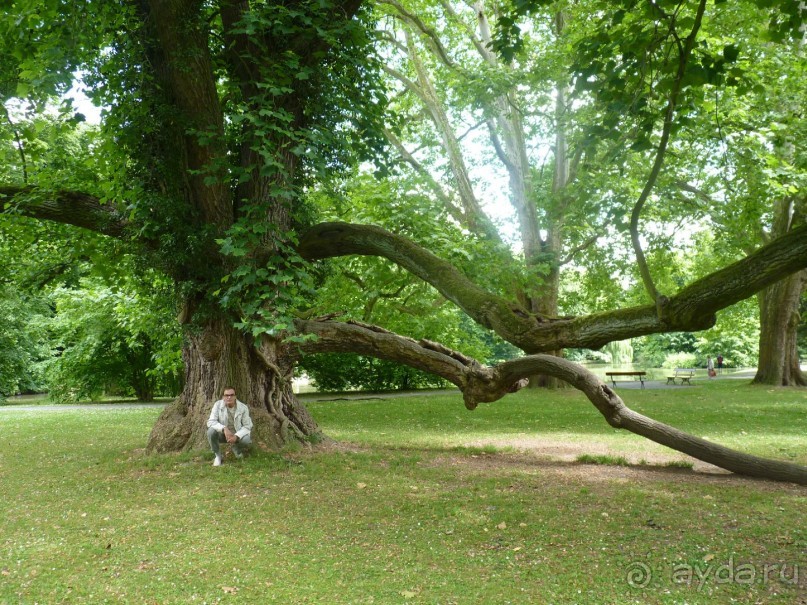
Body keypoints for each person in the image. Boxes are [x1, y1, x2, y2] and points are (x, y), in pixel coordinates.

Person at [207, 387, 253, 466]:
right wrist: (224, 428)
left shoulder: (243, 407)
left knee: (246, 439)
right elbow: (211, 421)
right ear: (223, 397)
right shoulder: (217, 405)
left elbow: (247, 425)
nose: (229, 397)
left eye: (232, 395)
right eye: (226, 395)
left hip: (236, 434)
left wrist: (236, 436)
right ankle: (218, 456)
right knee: (211, 431)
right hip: (222, 434)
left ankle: (236, 449)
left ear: (235, 396)